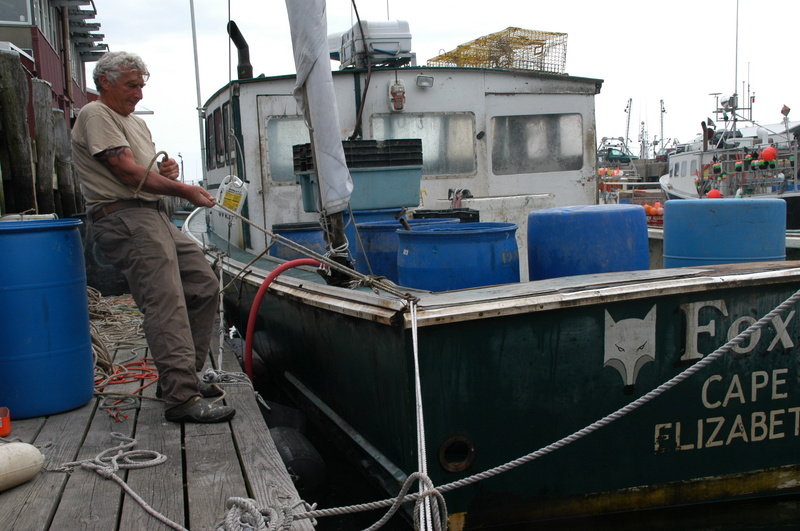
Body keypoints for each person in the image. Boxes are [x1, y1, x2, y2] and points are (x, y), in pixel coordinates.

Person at [72, 51, 234, 423]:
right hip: (125, 217)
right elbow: (127, 174)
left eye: (142, 86)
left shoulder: (135, 124)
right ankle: (181, 398)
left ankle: (181, 379)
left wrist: (166, 171)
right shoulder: (95, 114)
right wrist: (183, 189)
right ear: (105, 83)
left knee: (202, 285)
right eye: (132, 85)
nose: (139, 94)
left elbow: (140, 169)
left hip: (153, 216)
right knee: (165, 300)